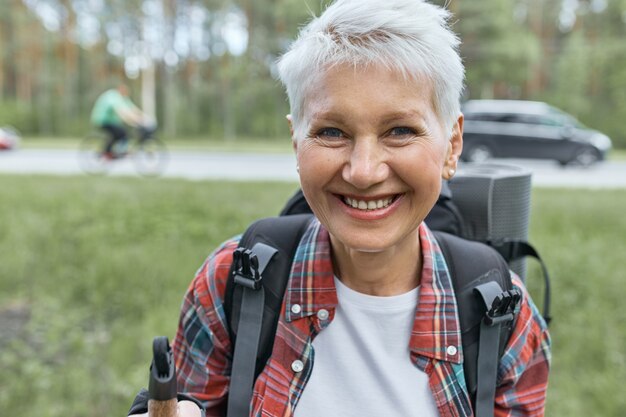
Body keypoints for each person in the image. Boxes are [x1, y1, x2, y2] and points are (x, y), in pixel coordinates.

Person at [131, 0, 550, 416]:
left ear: (452, 145)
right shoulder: (230, 282)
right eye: (331, 132)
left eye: (400, 131)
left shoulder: (504, 315)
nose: (363, 172)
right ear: (297, 143)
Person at [90, 83, 153, 159]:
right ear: (120, 91)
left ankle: (110, 151)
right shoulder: (113, 97)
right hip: (102, 120)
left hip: (111, 121)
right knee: (122, 133)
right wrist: (136, 120)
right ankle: (114, 152)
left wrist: (144, 117)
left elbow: (132, 108)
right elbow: (122, 112)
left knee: (118, 134)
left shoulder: (123, 98)